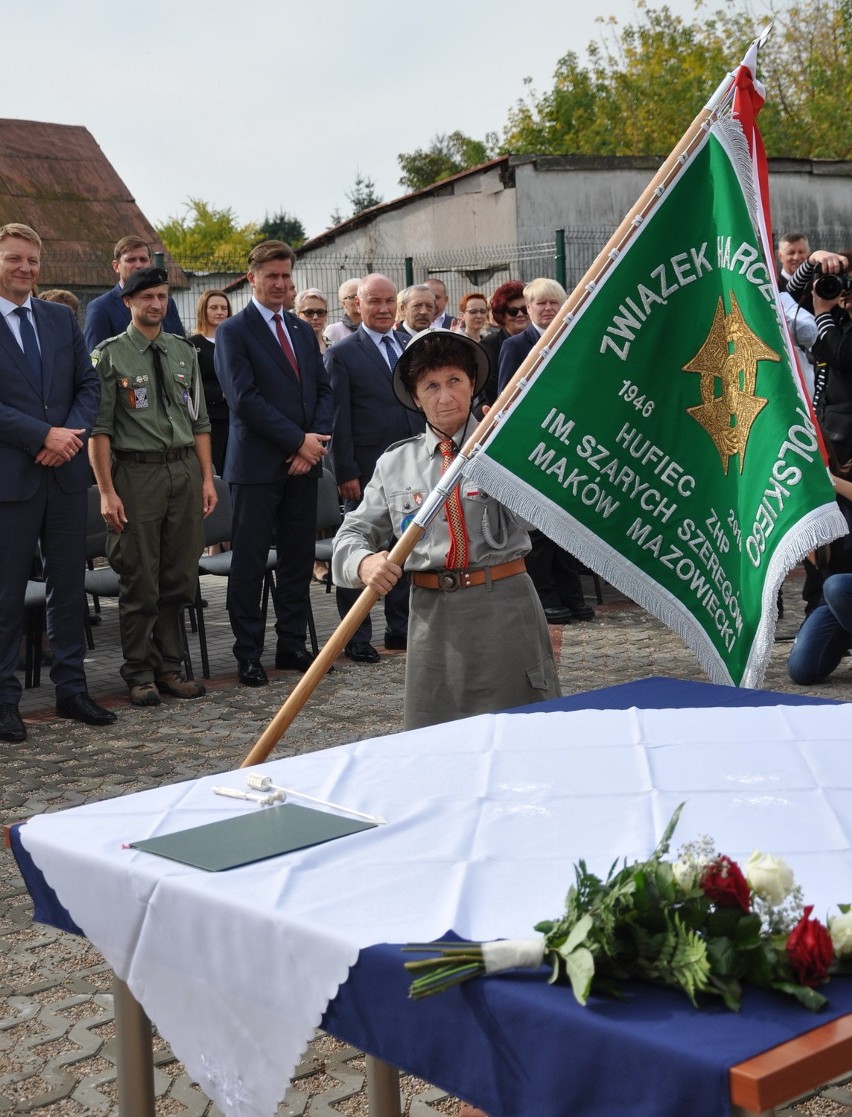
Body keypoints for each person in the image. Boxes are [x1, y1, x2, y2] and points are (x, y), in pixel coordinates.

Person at [332, 329, 560, 729]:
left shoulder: (507, 446)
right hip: (432, 620)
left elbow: (545, 515)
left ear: (472, 384)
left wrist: (511, 453)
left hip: (504, 608)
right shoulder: (395, 463)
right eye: (431, 386)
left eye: (455, 380)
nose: (445, 396)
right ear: (416, 397)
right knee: (435, 741)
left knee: (522, 732)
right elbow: (352, 533)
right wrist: (365, 563)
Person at [0, 222, 115, 741]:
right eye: (13, 259)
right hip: (12, 480)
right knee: (5, 596)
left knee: (66, 590)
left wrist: (69, 435)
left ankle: (72, 689)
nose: (25, 268)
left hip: (66, 476)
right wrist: (42, 434)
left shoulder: (60, 318)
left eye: (32, 260)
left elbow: (89, 386)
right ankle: (5, 702)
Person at [88, 266, 216, 707]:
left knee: (179, 577)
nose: (156, 305)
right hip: (136, 474)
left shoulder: (183, 351)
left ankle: (170, 667)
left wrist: (206, 477)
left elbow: (199, 419)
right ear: (128, 302)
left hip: (182, 471)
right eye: (147, 298)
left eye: (162, 297)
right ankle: (139, 672)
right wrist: (107, 490)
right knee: (140, 578)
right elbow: (99, 430)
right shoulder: (109, 356)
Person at [214, 240, 333, 686]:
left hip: (303, 465)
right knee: (248, 563)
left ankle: (292, 644)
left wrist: (315, 442)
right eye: (272, 277)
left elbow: (323, 390)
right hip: (257, 468)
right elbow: (243, 399)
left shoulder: (302, 331)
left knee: (298, 559)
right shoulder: (234, 331)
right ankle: (248, 653)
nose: (281, 284)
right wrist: (298, 442)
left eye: (286, 276)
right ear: (252, 278)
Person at [325, 273, 424, 663]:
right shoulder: (342, 353)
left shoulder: (409, 346)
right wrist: (345, 471)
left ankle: (399, 628)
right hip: (364, 468)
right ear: (358, 306)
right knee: (362, 549)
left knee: (404, 546)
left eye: (388, 302)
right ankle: (356, 635)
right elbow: (338, 420)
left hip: (409, 464)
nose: (383, 309)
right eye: (374, 302)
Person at [497, 278, 594, 624]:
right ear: (528, 308)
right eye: (541, 304)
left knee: (566, 525)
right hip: (534, 443)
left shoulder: (573, 339)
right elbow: (506, 399)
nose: (548, 309)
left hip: (570, 441)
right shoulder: (515, 346)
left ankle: (572, 595)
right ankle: (547, 596)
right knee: (538, 528)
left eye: (554, 303)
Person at [84, 236, 185, 351]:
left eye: (143, 259)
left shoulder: (167, 303)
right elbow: (95, 357)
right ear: (116, 266)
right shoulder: (100, 307)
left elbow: (180, 348)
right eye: (131, 260)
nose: (139, 265)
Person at [189, 289, 232, 476]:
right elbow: (189, 384)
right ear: (203, 311)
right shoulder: (192, 345)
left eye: (224, 308)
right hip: (209, 419)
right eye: (214, 307)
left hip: (236, 416)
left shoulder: (235, 341)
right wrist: (220, 394)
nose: (220, 312)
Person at [479, 280, 530, 405]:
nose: (520, 314)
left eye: (524, 309)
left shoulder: (538, 340)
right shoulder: (490, 344)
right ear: (502, 315)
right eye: (512, 311)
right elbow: (492, 390)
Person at [325, 278, 361, 343]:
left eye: (361, 296)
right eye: (353, 297)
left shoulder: (374, 328)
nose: (358, 300)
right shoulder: (335, 330)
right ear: (343, 303)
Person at [295, 288, 330, 354]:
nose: (315, 317)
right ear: (298, 315)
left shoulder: (334, 347)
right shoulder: (293, 346)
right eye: (309, 312)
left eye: (320, 312)